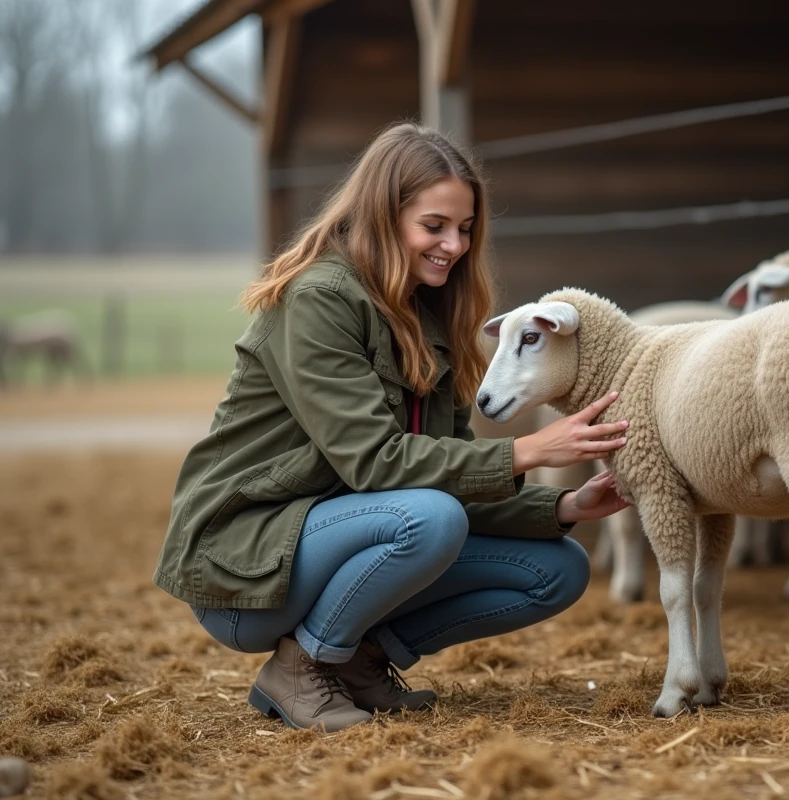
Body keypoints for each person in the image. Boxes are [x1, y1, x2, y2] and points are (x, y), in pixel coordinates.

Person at [152, 122, 630, 732]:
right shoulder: (320, 298)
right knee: (429, 519)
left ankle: (355, 661)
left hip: (349, 536)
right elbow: (376, 463)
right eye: (434, 226)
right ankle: (301, 665)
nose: (454, 245)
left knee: (559, 569)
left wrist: (562, 506)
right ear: (384, 214)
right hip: (248, 568)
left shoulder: (434, 315)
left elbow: (453, 474)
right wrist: (528, 450)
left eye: (465, 229)